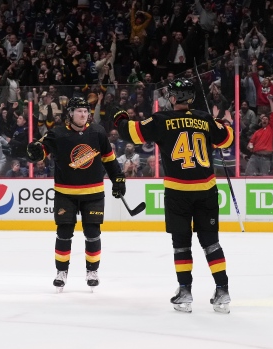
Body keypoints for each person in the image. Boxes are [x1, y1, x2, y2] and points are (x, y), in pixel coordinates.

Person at [114, 78, 234, 314]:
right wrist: (221, 122)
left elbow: (131, 133)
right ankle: (223, 291)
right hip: (206, 190)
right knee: (211, 242)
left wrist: (119, 117)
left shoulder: (161, 120)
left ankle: (185, 292)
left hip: (178, 192)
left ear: (173, 98)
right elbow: (227, 137)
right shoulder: (203, 118)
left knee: (181, 244)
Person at [26, 97, 126, 292]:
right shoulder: (58, 134)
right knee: (64, 234)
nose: (83, 114)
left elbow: (109, 159)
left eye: (86, 111)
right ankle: (61, 272)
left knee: (92, 233)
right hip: (66, 194)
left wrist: (118, 179)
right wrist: (36, 152)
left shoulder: (97, 132)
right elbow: (42, 149)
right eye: (79, 111)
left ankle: (92, 272)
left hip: (94, 193)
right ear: (70, 113)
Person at [245, 95, 273, 176]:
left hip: (265, 158)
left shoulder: (271, 128)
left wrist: (270, 101)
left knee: (264, 177)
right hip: (254, 157)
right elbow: (250, 144)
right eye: (263, 119)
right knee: (248, 174)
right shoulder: (257, 132)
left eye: (266, 119)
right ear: (260, 121)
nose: (264, 120)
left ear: (269, 121)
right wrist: (250, 147)